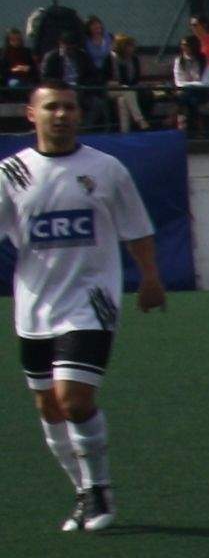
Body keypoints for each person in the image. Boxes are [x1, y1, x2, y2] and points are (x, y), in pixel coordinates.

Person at [8, 82, 164, 534]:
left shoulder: (106, 168)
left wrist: (150, 277)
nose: (62, 115)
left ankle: (99, 490)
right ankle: (82, 491)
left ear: (79, 114)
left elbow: (137, 228)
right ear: (31, 114)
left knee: (74, 402)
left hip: (90, 302)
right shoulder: (13, 174)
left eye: (70, 107)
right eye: (52, 107)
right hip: (34, 305)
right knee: (48, 408)